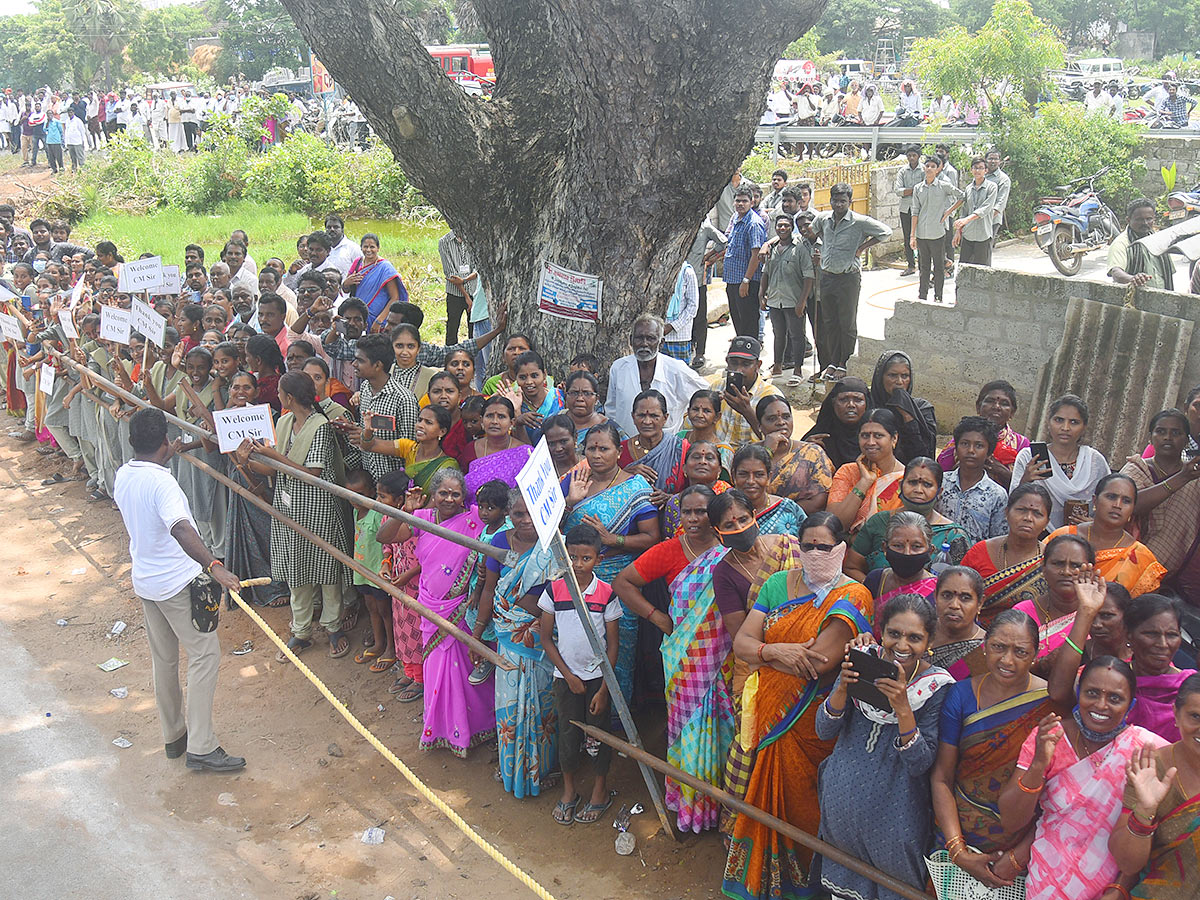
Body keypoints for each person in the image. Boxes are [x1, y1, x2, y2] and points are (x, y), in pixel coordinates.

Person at [720, 511, 872, 899]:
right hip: (768, 713)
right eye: (809, 546)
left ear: (842, 548)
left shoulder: (854, 595)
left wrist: (764, 652)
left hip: (815, 720)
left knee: (808, 806)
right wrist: (778, 650)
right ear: (798, 547)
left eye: (825, 546)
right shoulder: (776, 584)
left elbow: (818, 662)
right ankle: (766, 882)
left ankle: (810, 885)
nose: (816, 552)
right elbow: (742, 644)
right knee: (765, 796)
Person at [112, 407, 244, 772]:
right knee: (205, 656)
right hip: (176, 582)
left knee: (165, 661)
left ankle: (174, 737)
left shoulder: (125, 474)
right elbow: (181, 529)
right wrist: (214, 566)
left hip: (146, 581)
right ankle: (202, 746)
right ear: (167, 443)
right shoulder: (162, 483)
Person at [815, 594, 953, 900]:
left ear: (929, 640)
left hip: (895, 821)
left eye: (914, 637)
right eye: (894, 634)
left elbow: (920, 764)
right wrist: (842, 688)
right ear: (881, 632)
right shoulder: (862, 661)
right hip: (841, 812)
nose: (902, 645)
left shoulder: (935, 687)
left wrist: (903, 707)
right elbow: (823, 730)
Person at [615, 484, 734, 832]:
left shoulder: (731, 550)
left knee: (725, 729)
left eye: (702, 511)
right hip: (683, 658)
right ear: (678, 515)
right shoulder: (669, 550)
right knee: (687, 730)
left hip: (725, 656)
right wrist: (658, 618)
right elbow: (624, 583)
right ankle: (691, 807)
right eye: (687, 512)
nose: (694, 519)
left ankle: (723, 806)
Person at [999, 657, 1166, 900]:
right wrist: (1038, 765)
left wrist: (1120, 888)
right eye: (1092, 693)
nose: (1101, 705)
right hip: (1045, 882)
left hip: (1109, 889)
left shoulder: (1145, 750)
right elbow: (1011, 820)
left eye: (1115, 698)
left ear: (1131, 704)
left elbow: (1148, 832)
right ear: (1078, 693)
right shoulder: (1050, 737)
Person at [930, 610, 1058, 881]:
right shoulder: (961, 695)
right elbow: (942, 776)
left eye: (1020, 652)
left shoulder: (1049, 704)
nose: (1007, 660)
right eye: (998, 647)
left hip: (1019, 848)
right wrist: (958, 850)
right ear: (985, 645)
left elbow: (1057, 796)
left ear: (1035, 653)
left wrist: (1016, 858)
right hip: (958, 837)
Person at [235, 372, 353, 661]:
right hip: (288, 509)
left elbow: (312, 474)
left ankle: (333, 626)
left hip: (319, 508)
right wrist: (246, 460)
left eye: (279, 392)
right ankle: (301, 630)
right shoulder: (285, 422)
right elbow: (273, 471)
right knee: (296, 569)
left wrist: (272, 456)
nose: (276, 396)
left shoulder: (321, 426)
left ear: (289, 397)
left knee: (326, 570)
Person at [384, 468, 494, 756]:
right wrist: (404, 511)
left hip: (460, 608)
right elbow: (384, 538)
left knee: (465, 670)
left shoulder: (473, 519)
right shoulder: (420, 518)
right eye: (443, 493)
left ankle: (475, 728)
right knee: (436, 669)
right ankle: (441, 729)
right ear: (433, 494)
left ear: (463, 497)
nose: (449, 499)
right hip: (430, 606)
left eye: (455, 494)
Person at [562, 422, 659, 702]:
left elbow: (651, 537)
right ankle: (579, 715)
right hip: (575, 577)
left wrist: (610, 539)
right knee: (575, 643)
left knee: (619, 647)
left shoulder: (635, 486)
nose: (596, 454)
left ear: (618, 452)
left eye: (603, 448)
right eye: (591, 448)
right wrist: (570, 501)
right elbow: (548, 527)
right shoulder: (576, 480)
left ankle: (617, 720)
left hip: (617, 580)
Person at [540, 523, 621, 826]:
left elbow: (613, 644)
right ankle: (569, 791)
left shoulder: (606, 594)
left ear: (598, 560)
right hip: (566, 678)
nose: (578, 564)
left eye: (585, 558)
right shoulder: (555, 589)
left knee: (599, 735)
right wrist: (568, 675)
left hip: (598, 679)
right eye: (572, 557)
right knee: (568, 733)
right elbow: (547, 638)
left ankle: (599, 791)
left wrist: (603, 690)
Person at [481, 493, 558, 798]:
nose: (524, 520)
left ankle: (545, 767)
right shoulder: (499, 542)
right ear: (509, 514)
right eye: (517, 514)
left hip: (544, 642)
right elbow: (488, 589)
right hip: (507, 637)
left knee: (544, 703)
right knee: (510, 703)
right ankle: (512, 765)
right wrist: (477, 633)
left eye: (530, 514)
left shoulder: (555, 545)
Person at [1108, 674, 1200, 898]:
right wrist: (1144, 812)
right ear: (1176, 714)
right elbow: (1127, 864)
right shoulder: (1151, 770)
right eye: (1196, 716)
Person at [220, 372, 289, 608]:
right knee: (245, 536)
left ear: (257, 392)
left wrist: (247, 461)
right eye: (235, 387)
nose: (241, 392)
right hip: (239, 485)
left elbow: (274, 463)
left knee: (270, 536)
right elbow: (213, 446)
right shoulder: (225, 419)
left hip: (264, 486)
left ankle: (277, 586)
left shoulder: (268, 418)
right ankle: (250, 586)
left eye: (247, 388)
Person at [811, 184, 891, 378]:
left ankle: (844, 362)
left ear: (850, 202)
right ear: (830, 201)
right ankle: (832, 362)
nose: (839, 204)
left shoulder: (859, 222)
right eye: (835, 200)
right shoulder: (823, 219)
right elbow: (814, 230)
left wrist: (862, 247)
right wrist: (825, 250)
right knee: (829, 322)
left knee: (846, 323)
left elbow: (886, 232)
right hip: (827, 276)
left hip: (848, 278)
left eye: (843, 201)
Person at [1122, 408, 1200, 606]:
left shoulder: (1196, 475)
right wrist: (1181, 478)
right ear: (1151, 437)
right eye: (1161, 431)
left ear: (1186, 439)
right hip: (1131, 569)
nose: (1168, 437)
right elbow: (1129, 505)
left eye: (1176, 433)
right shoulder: (1136, 469)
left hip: (1181, 574)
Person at [1047, 473, 1166, 597]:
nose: (1117, 505)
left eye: (1126, 501)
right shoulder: (1061, 536)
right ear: (1095, 501)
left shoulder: (1141, 557)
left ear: (1132, 509)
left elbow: (1141, 613)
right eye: (1111, 497)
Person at [846, 457, 968, 576]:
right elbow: (851, 567)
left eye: (927, 484)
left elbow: (961, 583)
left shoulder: (953, 535)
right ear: (900, 486)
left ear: (939, 492)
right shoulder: (880, 522)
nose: (918, 490)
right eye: (912, 482)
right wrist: (876, 590)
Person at [1013, 393, 1111, 529]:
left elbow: (1107, 502)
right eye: (1058, 420)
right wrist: (1025, 481)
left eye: (1074, 422)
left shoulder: (1095, 461)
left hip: (1082, 536)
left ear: (1084, 427)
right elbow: (1012, 503)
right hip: (1035, 534)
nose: (1065, 428)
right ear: (1049, 422)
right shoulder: (1029, 456)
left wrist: (1092, 523)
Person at [960, 483, 1052, 624]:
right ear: (1006, 513)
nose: (1028, 518)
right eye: (1021, 510)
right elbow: (959, 595)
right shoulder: (980, 552)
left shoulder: (1051, 560)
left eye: (1037, 514)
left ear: (1047, 523)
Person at [605, 314, 707, 437]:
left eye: (651, 338)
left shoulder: (676, 370)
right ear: (631, 340)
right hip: (627, 446)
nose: (644, 343)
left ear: (661, 343)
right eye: (639, 338)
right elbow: (611, 410)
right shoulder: (619, 368)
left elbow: (706, 395)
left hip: (667, 448)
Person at [1013, 533, 1095, 670]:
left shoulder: (1100, 614)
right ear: (1043, 568)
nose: (1066, 572)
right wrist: (1042, 665)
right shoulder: (1022, 613)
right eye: (1058, 564)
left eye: (1075, 565)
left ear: (1090, 571)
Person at [937, 380, 1031, 488]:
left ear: (1012, 412)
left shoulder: (1021, 445)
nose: (996, 407)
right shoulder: (959, 443)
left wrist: (1001, 471)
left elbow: (1027, 487)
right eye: (990, 401)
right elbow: (937, 478)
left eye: (1004, 404)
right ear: (978, 406)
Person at [826, 408, 907, 534]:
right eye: (865, 436)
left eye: (878, 435)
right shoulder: (847, 472)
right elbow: (833, 524)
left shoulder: (907, 479)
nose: (870, 442)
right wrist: (864, 482)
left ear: (894, 439)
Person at [936, 416, 1009, 544]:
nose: (970, 450)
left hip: (975, 562)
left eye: (979, 446)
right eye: (965, 444)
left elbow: (998, 541)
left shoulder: (997, 495)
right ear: (956, 448)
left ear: (989, 453)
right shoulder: (940, 482)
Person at [759, 214, 813, 381]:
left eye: (786, 226)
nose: (782, 228)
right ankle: (777, 366)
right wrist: (762, 294)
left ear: (791, 228)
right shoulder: (773, 249)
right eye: (779, 226)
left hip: (793, 300)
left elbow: (808, 277)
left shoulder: (800, 249)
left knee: (797, 335)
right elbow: (766, 273)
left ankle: (797, 369)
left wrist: (802, 301)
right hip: (775, 300)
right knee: (778, 334)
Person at [757, 394, 831, 513]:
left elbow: (819, 502)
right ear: (759, 426)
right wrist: (767, 451)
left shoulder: (812, 452)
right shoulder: (747, 453)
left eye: (786, 417)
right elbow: (745, 493)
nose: (781, 422)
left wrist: (777, 515)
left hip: (800, 522)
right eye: (772, 418)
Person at [619, 389, 688, 504]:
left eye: (654, 416)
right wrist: (625, 475)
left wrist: (672, 498)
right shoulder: (619, 451)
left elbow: (698, 489)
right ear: (633, 417)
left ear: (665, 418)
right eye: (641, 415)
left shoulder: (681, 449)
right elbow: (604, 488)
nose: (647, 421)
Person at [910, 155, 963, 304]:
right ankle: (922, 295)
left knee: (939, 267)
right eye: (927, 166)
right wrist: (912, 235)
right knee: (923, 266)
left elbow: (961, 196)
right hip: (922, 233)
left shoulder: (943, 186)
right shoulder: (918, 188)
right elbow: (915, 211)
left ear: (938, 169)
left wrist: (948, 212)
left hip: (937, 233)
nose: (930, 169)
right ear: (924, 168)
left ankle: (938, 296)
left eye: (933, 166)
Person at [869, 350, 937, 463]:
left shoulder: (922, 409)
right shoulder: (869, 406)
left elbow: (924, 456)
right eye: (892, 375)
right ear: (880, 377)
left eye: (905, 376)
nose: (899, 382)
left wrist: (908, 416)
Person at [461, 395, 532, 497]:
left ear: (511, 422)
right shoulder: (470, 449)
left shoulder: (524, 453)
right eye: (489, 416)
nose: (494, 421)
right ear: (481, 420)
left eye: (501, 416)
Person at [731, 443, 806, 535]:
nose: (751, 481)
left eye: (759, 475)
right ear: (734, 476)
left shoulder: (788, 509)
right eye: (743, 474)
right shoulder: (723, 510)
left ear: (769, 477)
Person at [929, 565, 988, 680]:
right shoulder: (921, 631)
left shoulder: (983, 651)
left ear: (980, 603)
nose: (954, 605)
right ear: (935, 597)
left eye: (965, 598)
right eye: (947, 595)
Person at [723, 185, 767, 338]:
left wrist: (746, 280)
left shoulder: (754, 223)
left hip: (746, 282)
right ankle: (741, 356)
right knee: (738, 321)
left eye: (744, 201)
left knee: (748, 322)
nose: (740, 204)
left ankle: (750, 356)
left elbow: (756, 255)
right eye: (738, 201)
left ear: (751, 203)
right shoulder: (736, 219)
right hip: (733, 280)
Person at [803, 376, 871, 469]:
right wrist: (803, 450)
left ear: (867, 404)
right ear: (833, 403)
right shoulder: (818, 438)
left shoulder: (875, 437)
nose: (851, 405)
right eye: (844, 400)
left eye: (857, 400)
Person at [1108, 197, 1175, 292]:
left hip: (1162, 297)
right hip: (1136, 300)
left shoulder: (1159, 240)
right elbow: (1116, 272)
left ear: (1154, 219)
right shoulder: (1121, 243)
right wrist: (1133, 279)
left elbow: (1168, 272)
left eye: (1149, 219)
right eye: (1139, 219)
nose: (1145, 223)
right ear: (1128, 220)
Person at [343, 232, 405, 326]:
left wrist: (379, 320)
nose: (368, 250)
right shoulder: (357, 262)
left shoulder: (385, 268)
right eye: (365, 247)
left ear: (378, 248)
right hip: (358, 316)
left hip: (378, 317)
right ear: (361, 248)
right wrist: (346, 283)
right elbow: (346, 290)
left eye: (372, 247)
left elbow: (395, 297)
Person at [953, 157, 1000, 266]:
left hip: (983, 234)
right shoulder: (968, 188)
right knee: (964, 268)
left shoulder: (992, 187)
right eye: (975, 168)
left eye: (980, 168)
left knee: (982, 270)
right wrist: (958, 231)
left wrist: (967, 219)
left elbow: (986, 208)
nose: (977, 171)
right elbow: (964, 211)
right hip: (968, 235)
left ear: (986, 171)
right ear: (971, 170)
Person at [513, 350, 564, 444]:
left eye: (534, 376)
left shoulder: (560, 397)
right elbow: (520, 448)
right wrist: (518, 417)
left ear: (544, 375)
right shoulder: (516, 404)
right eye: (522, 377)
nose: (529, 382)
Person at [437, 229, 475, 345]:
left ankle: (474, 358)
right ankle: (450, 358)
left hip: (474, 291)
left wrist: (465, 280)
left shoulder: (473, 238)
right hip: (455, 293)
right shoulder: (444, 242)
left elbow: (478, 268)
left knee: (474, 328)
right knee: (452, 327)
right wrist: (466, 296)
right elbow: (450, 274)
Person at [562, 369, 615, 450]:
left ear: (597, 399)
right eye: (574, 393)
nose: (580, 398)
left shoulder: (610, 429)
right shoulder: (554, 423)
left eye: (587, 393)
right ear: (566, 395)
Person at [894, 145, 923, 276]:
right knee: (907, 237)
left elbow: (925, 189)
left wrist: (908, 191)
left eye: (914, 155)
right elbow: (898, 191)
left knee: (922, 237)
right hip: (906, 209)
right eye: (909, 155)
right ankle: (911, 265)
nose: (911, 158)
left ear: (918, 156)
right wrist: (914, 190)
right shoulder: (902, 171)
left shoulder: (923, 170)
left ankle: (923, 265)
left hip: (921, 209)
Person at [663, 260, 699, 362]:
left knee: (681, 375)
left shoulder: (687, 273)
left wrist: (672, 326)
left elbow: (692, 307)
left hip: (680, 337)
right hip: (659, 337)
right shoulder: (659, 270)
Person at [985, 149, 1011, 240]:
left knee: (986, 248)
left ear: (999, 161)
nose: (993, 161)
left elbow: (1000, 203)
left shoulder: (1003, 179)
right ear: (985, 160)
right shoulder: (981, 175)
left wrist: (987, 217)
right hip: (976, 220)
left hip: (992, 220)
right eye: (990, 158)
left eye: (996, 159)